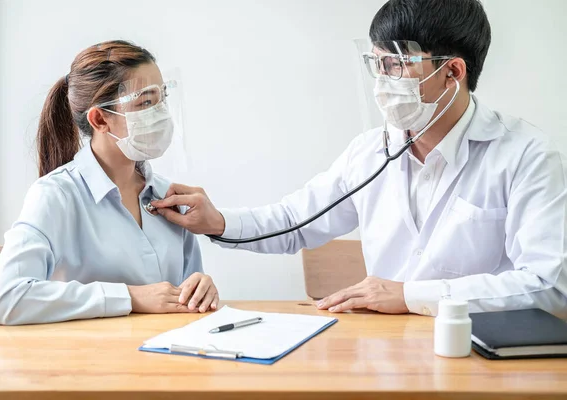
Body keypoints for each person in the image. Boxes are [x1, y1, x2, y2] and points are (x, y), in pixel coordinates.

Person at [151, 0, 567, 319]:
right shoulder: (371, 152)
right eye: (378, 64)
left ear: (453, 72)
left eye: (396, 64)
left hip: (485, 350)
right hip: (386, 351)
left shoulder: (526, 155)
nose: (382, 81)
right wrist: (218, 221)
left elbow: (551, 287)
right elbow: (296, 221)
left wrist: (409, 295)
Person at [0, 40, 218, 325]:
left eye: (162, 98)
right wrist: (130, 297)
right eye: (146, 102)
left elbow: (185, 305)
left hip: (164, 361)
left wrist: (200, 290)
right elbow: (5, 299)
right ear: (99, 119)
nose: (160, 113)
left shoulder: (168, 196)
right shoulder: (56, 195)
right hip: (90, 362)